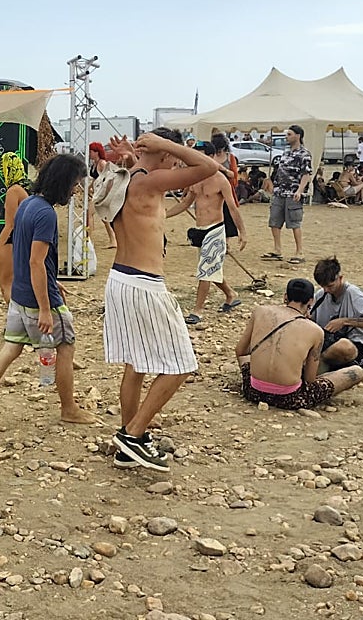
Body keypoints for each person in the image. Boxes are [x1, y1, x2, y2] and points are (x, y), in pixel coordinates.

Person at [102, 130, 219, 472]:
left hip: (121, 278)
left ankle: (128, 440)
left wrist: (134, 154)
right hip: (143, 283)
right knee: (181, 364)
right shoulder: (151, 182)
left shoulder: (131, 176)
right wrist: (165, 145)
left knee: (136, 365)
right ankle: (134, 434)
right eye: (172, 155)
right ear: (163, 155)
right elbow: (210, 166)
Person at [0, 154, 98, 431]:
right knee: (65, 346)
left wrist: (50, 280)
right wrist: (47, 307)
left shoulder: (28, 204)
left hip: (20, 296)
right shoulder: (46, 213)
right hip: (38, 299)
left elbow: (29, 255)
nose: (75, 190)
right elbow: (36, 261)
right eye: (74, 184)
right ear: (62, 183)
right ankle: (68, 408)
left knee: (10, 348)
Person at [235, 278, 363, 410]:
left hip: (252, 391)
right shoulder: (315, 330)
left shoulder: (259, 311)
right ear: (311, 301)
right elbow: (309, 380)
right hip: (290, 398)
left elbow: (240, 351)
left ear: (286, 297)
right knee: (357, 372)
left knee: (247, 358)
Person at [165, 142, 247, 324]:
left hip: (215, 230)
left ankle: (198, 311)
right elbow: (185, 203)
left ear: (211, 158)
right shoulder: (195, 179)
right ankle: (231, 295)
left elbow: (233, 208)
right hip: (200, 229)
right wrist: (163, 215)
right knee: (210, 269)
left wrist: (242, 232)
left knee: (206, 271)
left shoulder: (220, 180)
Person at [310, 257, 363, 370]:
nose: (326, 290)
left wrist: (345, 321)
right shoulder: (321, 295)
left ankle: (315, 365)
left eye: (330, 286)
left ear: (340, 278)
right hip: (326, 344)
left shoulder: (352, 293)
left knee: (344, 347)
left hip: (354, 347)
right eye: (322, 286)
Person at [263, 125, 312, 265]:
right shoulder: (285, 152)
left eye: (289, 134)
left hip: (293, 193)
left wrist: (300, 190)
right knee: (274, 221)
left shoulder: (304, 154)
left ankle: (299, 251)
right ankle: (277, 249)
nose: (287, 137)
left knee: (294, 222)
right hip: (280, 192)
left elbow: (306, 174)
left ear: (298, 136)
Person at [0, 152, 33, 302]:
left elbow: (10, 225)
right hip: (29, 238)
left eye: (2, 168)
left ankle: (14, 315)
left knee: (6, 282)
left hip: (13, 240)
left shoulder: (13, 191)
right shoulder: (30, 187)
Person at [87, 142, 117, 248]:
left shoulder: (102, 163)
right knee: (104, 218)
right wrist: (90, 187)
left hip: (101, 194)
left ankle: (88, 239)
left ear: (96, 152)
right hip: (98, 193)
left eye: (91, 152)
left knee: (89, 213)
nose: (89, 154)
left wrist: (107, 193)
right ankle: (113, 239)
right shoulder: (95, 164)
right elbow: (96, 178)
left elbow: (110, 177)